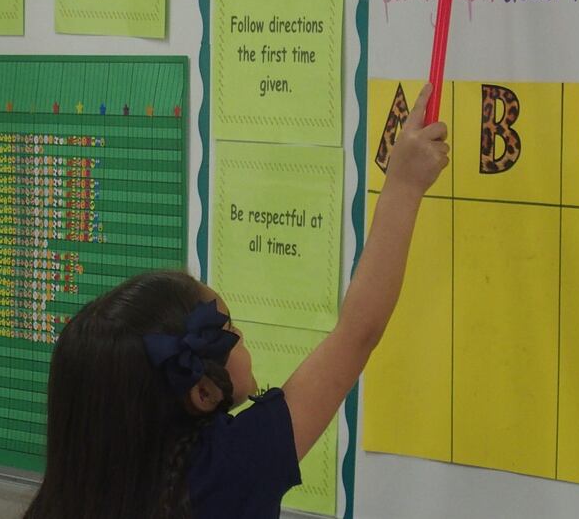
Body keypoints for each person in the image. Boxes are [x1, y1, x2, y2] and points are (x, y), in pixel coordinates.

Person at [23, 85, 450, 519]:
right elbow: (358, 332)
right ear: (203, 391)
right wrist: (404, 185)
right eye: (229, 330)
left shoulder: (75, 493)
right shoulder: (229, 468)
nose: (242, 335)